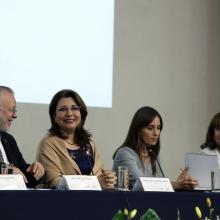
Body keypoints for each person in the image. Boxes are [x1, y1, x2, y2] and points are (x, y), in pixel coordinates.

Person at [37, 89, 116, 189]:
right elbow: (55, 183)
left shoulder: (89, 143)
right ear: (54, 116)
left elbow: (99, 176)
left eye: (74, 108)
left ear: (81, 113)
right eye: (62, 109)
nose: (69, 113)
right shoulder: (48, 144)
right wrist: (95, 183)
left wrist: (107, 179)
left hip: (95, 201)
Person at [113, 106, 198, 190]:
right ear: (138, 130)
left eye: (158, 128)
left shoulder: (154, 155)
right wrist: (176, 185)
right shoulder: (124, 154)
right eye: (150, 128)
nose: (156, 133)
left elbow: (158, 188)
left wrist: (179, 184)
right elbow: (141, 185)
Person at [0, 86, 45, 188]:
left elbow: (22, 173)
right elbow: (11, 171)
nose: (15, 115)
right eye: (11, 110)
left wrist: (36, 171)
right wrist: (9, 170)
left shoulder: (9, 139)